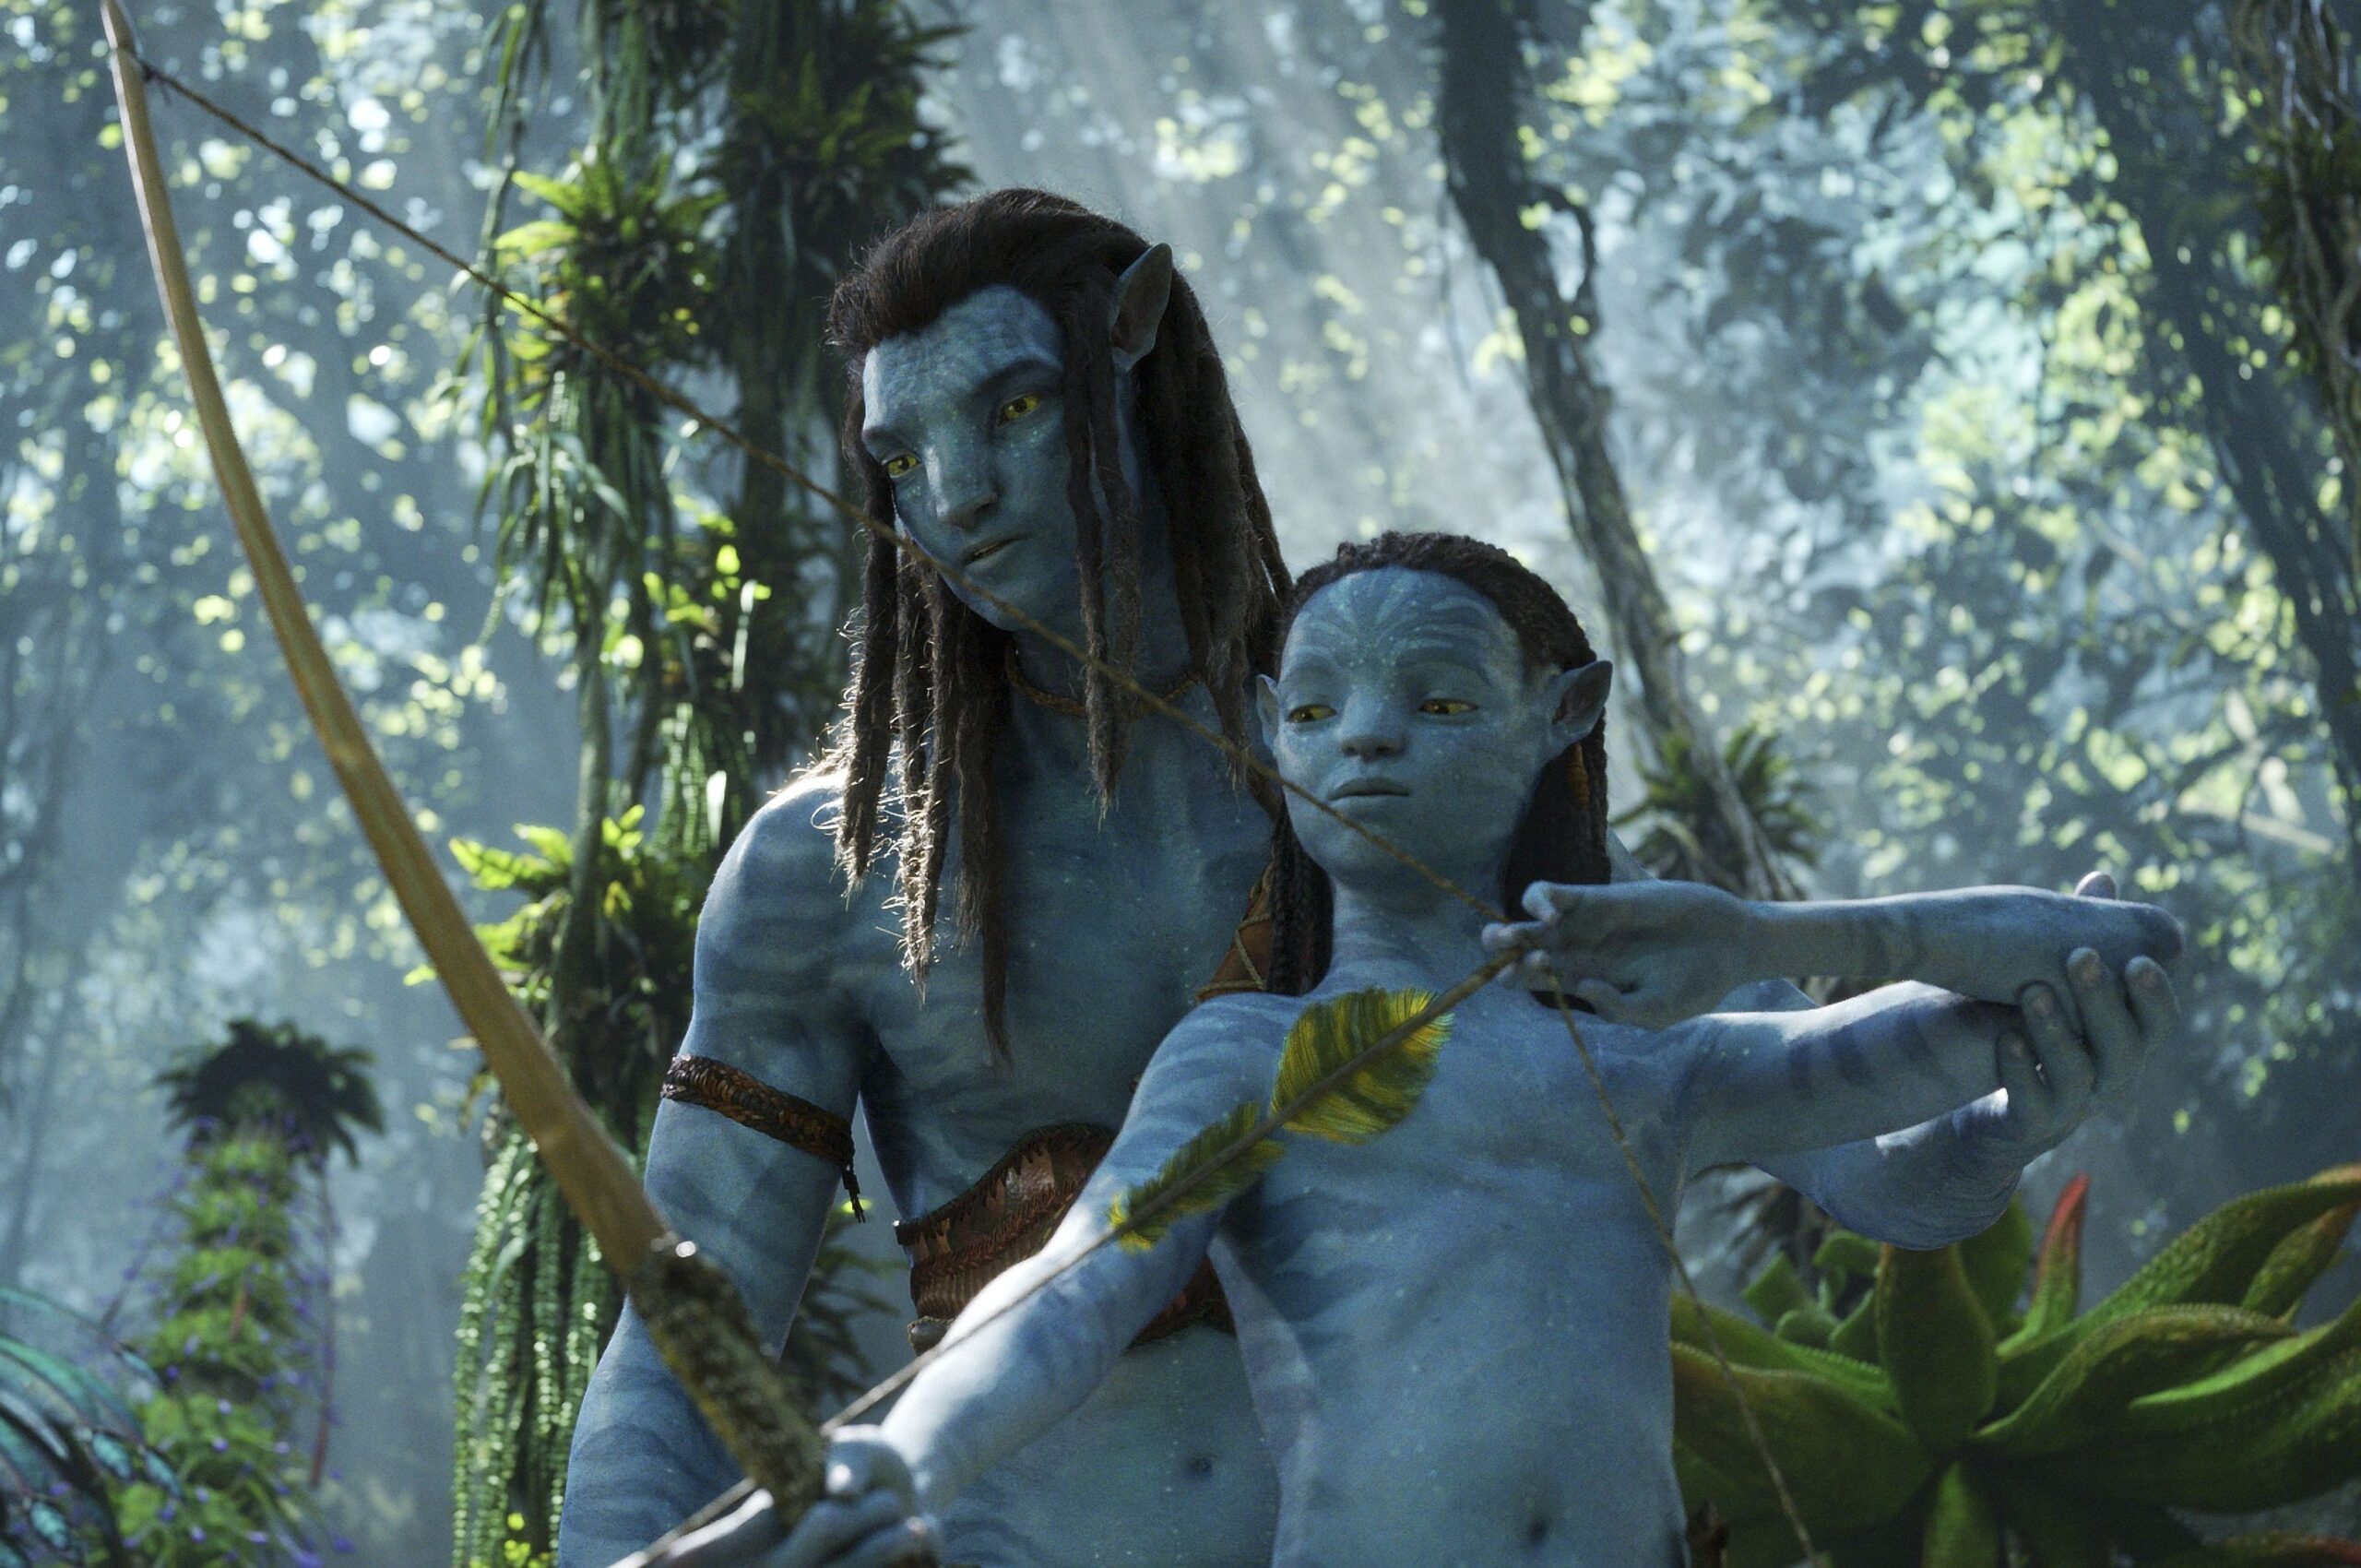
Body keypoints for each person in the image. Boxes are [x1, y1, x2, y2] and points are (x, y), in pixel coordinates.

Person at [564, 191, 2175, 1568]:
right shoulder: (828, 870)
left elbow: (1856, 1160)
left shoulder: (1402, 781)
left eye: (1014, 410)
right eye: (902, 458)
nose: (956, 496)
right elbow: (687, 1324)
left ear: (1134, 351)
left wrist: (2012, 1113)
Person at [733, 533, 2181, 1568]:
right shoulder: (1248, 1059)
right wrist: (906, 1454)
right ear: (1268, 736)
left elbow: (2121, 952)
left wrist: (1759, 941)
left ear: (1565, 713)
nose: (1364, 742)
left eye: (1437, 702)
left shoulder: (1650, 1056)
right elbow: (1075, 1293)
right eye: (1316, 710)